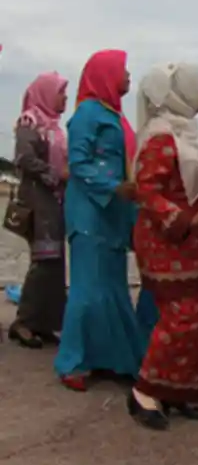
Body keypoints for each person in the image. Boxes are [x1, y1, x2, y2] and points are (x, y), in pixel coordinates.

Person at [128, 62, 198, 430]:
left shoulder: (187, 135)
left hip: (192, 238)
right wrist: (186, 218)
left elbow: (192, 187)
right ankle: (144, 390)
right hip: (165, 239)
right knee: (180, 315)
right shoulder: (160, 136)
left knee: (197, 317)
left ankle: (178, 389)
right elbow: (148, 192)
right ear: (178, 92)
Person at [54, 50, 145, 392]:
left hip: (113, 214)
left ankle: (116, 358)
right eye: (123, 69)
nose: (128, 75)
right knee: (87, 289)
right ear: (106, 74)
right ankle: (72, 363)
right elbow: (78, 164)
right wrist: (114, 187)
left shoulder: (115, 116)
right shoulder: (87, 115)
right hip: (90, 212)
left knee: (113, 287)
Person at [8, 72, 70, 348]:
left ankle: (45, 323)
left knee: (55, 264)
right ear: (46, 92)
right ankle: (23, 322)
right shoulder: (30, 121)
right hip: (38, 202)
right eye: (61, 92)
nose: (65, 97)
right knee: (43, 263)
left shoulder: (55, 126)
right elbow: (24, 158)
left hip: (53, 203)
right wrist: (56, 175)